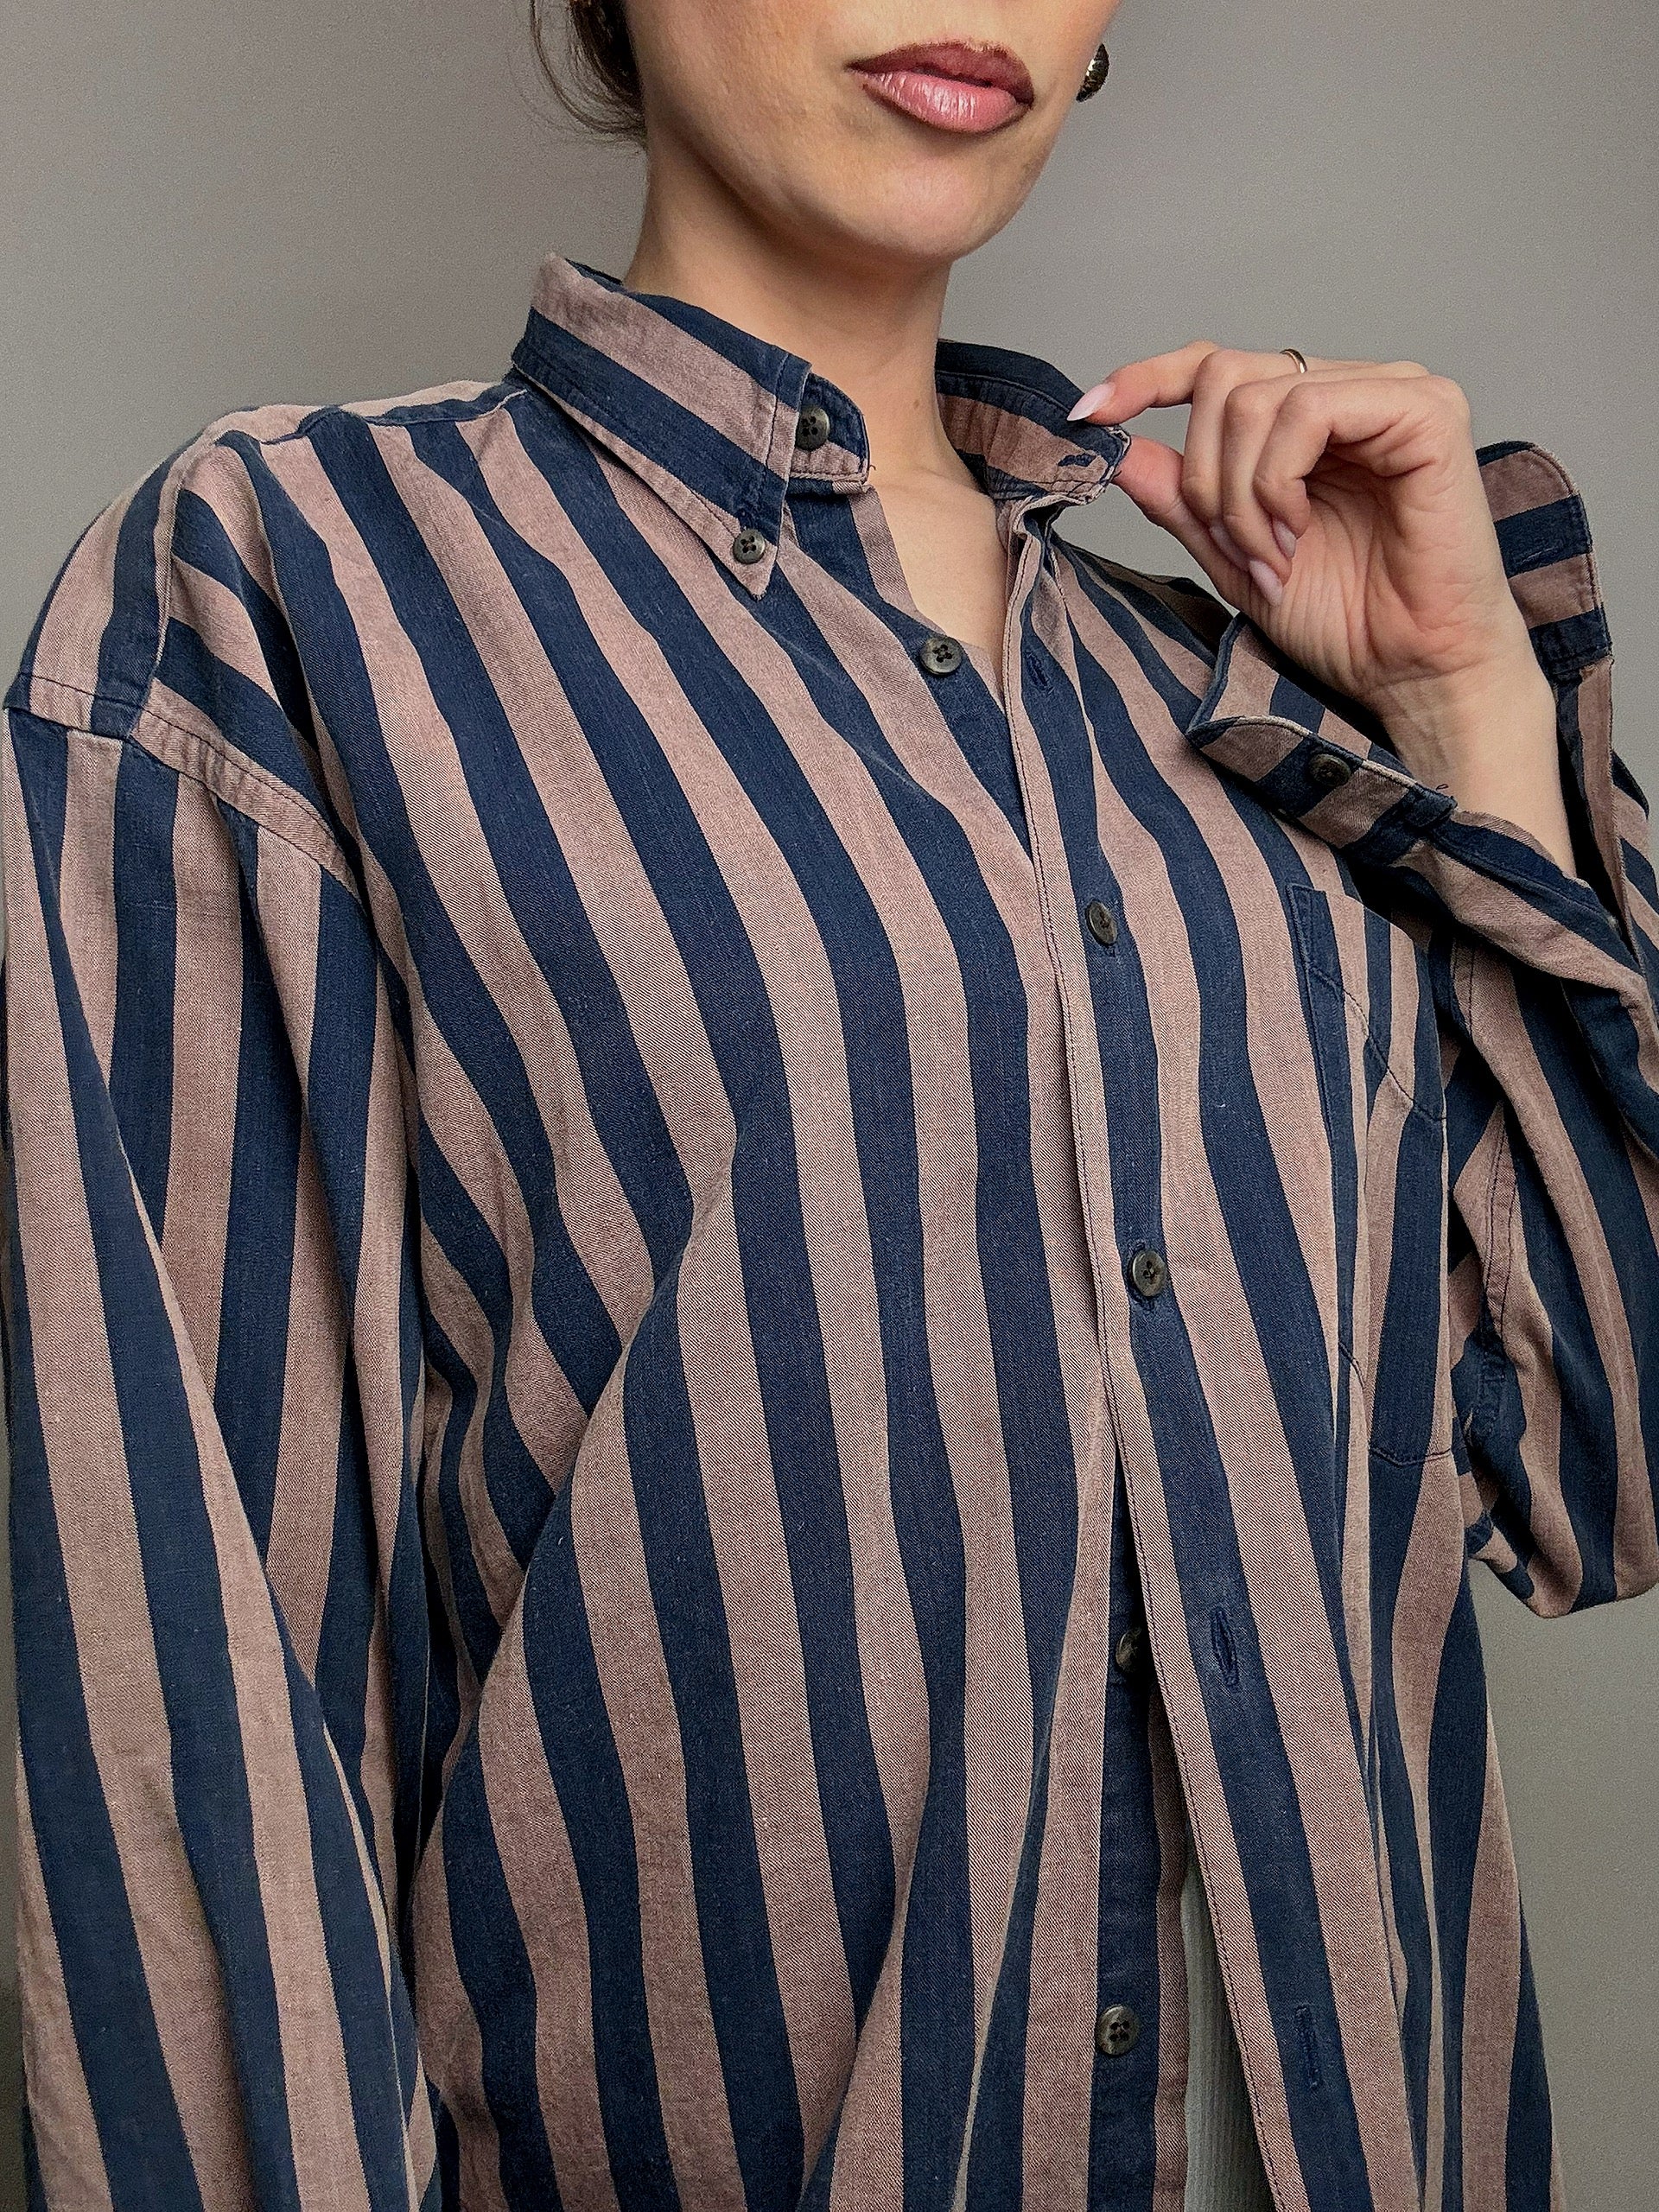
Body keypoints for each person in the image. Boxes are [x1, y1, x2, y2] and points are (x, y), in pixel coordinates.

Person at [3, 1, 1656, 2206]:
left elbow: (1593, 1465)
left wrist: (1464, 712)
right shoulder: (291, 588)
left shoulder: (1239, 684)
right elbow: (181, 1689)